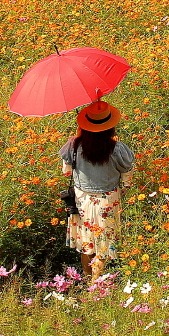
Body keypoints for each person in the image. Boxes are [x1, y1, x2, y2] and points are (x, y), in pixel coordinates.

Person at [59, 99, 134, 284]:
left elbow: (66, 171)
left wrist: (78, 137)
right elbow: (127, 177)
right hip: (107, 201)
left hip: (82, 201)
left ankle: (88, 283)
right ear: (110, 127)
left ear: (84, 125)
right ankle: (96, 287)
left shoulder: (73, 145)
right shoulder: (117, 149)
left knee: (87, 244)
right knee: (103, 245)